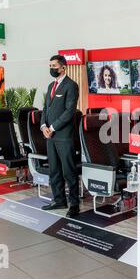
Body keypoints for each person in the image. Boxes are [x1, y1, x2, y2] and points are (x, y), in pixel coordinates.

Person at [40, 55, 80, 218]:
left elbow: (69, 111)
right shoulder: (51, 86)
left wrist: (52, 127)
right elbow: (45, 108)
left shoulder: (71, 86)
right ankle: (59, 200)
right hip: (50, 136)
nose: (52, 68)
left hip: (64, 136)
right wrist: (43, 126)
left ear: (63, 67)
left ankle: (74, 205)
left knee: (69, 172)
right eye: (50, 65)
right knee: (54, 170)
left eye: (54, 66)